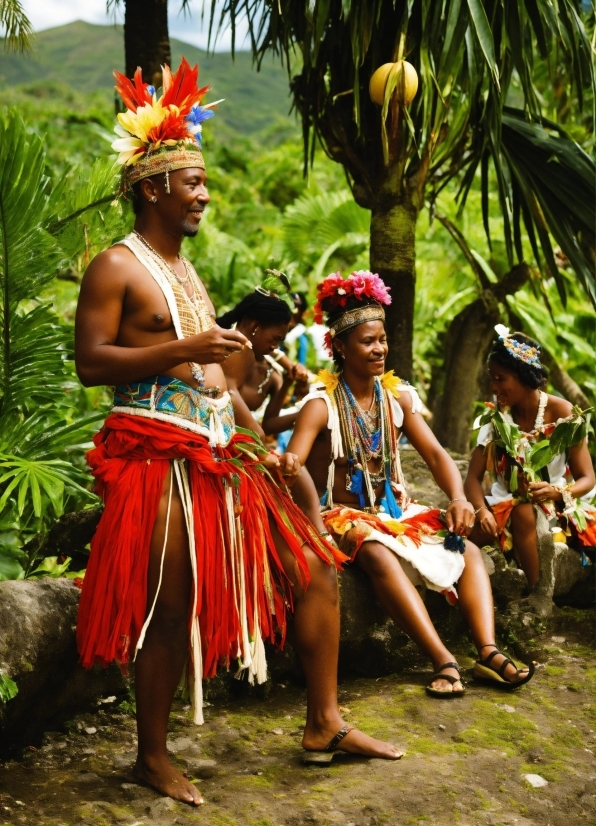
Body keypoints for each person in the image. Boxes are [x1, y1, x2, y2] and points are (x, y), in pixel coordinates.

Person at [74, 60, 401, 807]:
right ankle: (152, 755)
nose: (205, 195)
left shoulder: (187, 274)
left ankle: (324, 723)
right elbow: (93, 363)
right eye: (194, 183)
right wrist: (185, 350)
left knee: (315, 565)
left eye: (204, 182)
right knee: (170, 601)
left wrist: (262, 431)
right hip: (156, 453)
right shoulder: (116, 267)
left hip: (226, 452)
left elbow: (216, 373)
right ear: (154, 185)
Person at [287, 272, 535, 698]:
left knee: (468, 546)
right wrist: (288, 463)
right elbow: (293, 460)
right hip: (344, 518)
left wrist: (459, 498)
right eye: (367, 342)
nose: (380, 348)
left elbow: (438, 455)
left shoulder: (397, 397)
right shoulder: (319, 405)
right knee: (377, 553)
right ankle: (443, 659)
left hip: (396, 512)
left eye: (382, 339)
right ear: (341, 348)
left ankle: (488, 652)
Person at [465, 326, 596, 587]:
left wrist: (558, 493)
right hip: (502, 506)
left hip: (553, 505)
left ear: (523, 376)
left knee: (524, 511)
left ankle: (538, 593)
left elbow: (588, 478)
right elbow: (471, 479)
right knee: (455, 532)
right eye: (492, 379)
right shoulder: (496, 417)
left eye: (500, 378)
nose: (494, 386)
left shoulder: (564, 413)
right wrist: (481, 512)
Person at [216, 289, 307, 437]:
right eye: (274, 339)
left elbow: (270, 425)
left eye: (280, 341)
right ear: (254, 326)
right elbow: (230, 395)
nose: (275, 347)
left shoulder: (271, 374)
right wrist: (259, 441)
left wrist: (307, 411)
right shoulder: (229, 349)